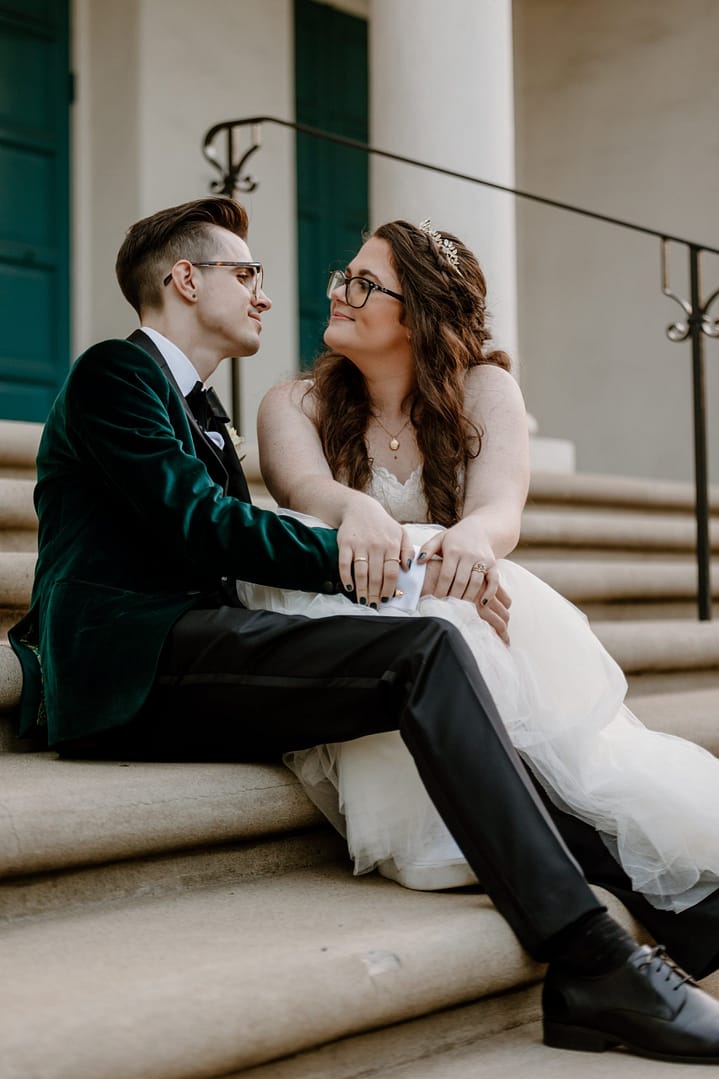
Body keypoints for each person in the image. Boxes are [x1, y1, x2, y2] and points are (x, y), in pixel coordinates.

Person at [8, 197, 719, 1064]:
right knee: (424, 650)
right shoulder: (114, 373)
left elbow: (221, 545)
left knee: (441, 662)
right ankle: (592, 958)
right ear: (186, 279)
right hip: (129, 661)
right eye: (247, 273)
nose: (267, 294)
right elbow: (205, 528)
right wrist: (411, 569)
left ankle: (684, 924)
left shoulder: (197, 405)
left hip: (197, 644)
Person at [252, 217, 719, 980]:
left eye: (364, 285)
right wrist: (358, 508)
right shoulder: (293, 403)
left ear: (417, 316)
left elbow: (500, 507)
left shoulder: (485, 388)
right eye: (344, 276)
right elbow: (304, 490)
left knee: (490, 647)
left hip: (454, 597)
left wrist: (471, 539)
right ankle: (685, 919)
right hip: (349, 610)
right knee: (445, 620)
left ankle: (675, 907)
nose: (338, 292)